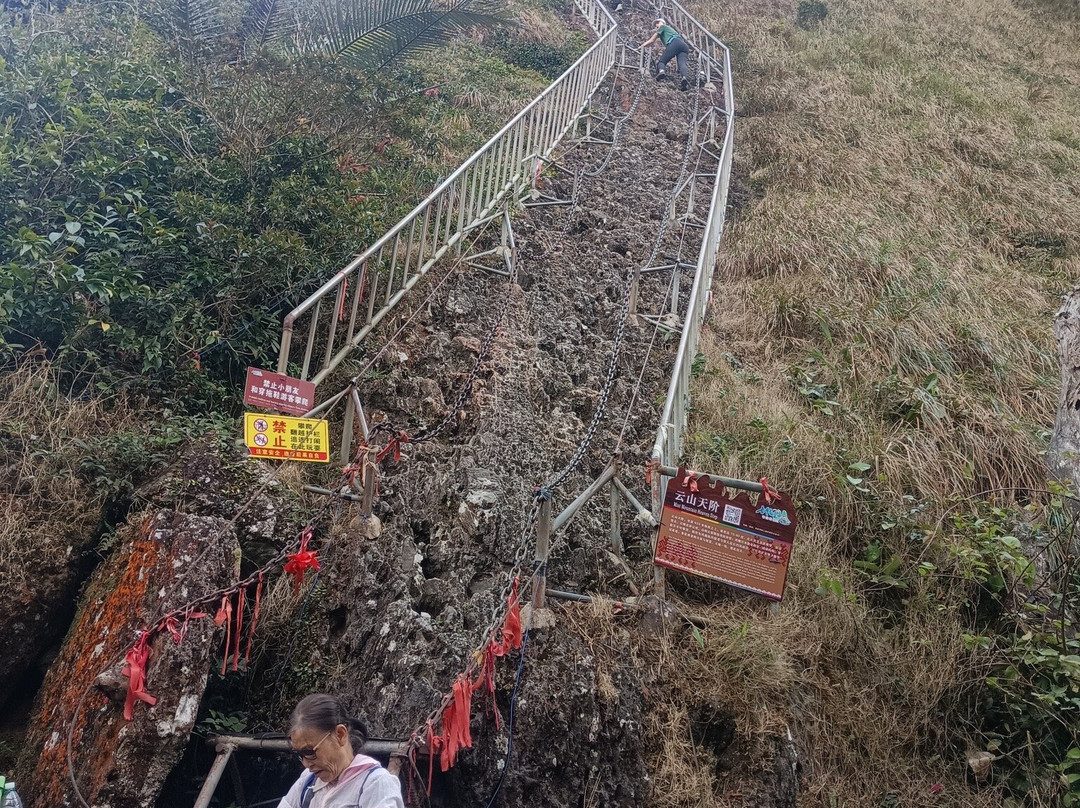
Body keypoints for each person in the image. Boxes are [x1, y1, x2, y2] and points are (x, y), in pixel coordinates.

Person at [277, 694, 405, 808]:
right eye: (300, 754)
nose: (306, 764)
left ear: (340, 734)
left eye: (310, 752)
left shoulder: (376, 784)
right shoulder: (307, 781)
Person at [642, 17, 690, 91]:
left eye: (657, 23)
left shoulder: (663, 27)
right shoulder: (670, 30)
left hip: (674, 43)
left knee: (662, 62)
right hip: (684, 46)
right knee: (682, 64)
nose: (656, 26)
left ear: (661, 23)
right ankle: (684, 78)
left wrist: (641, 46)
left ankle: (661, 72)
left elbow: (652, 40)